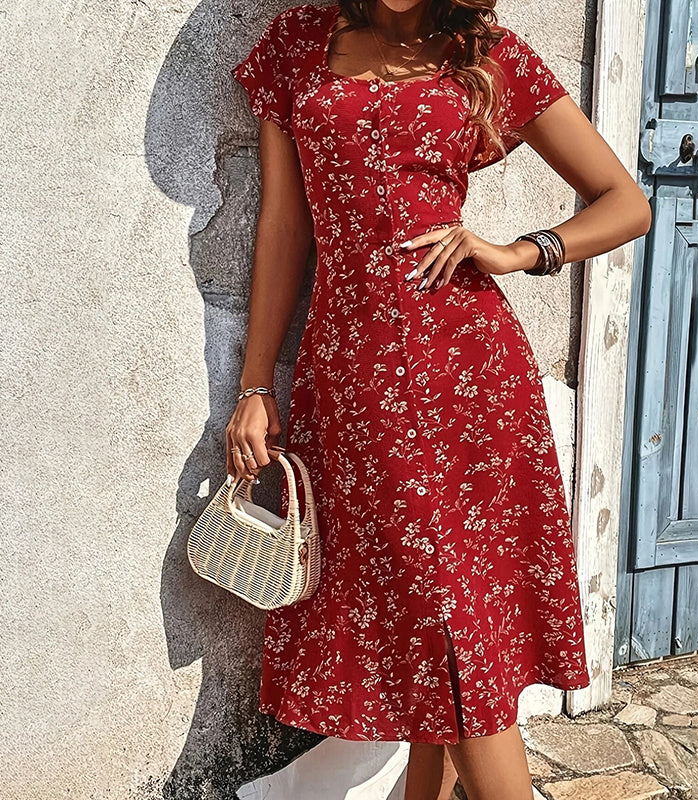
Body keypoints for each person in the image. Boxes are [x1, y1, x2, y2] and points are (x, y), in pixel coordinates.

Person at [226, 1, 652, 798]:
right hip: (354, 387)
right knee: (431, 630)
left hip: (469, 377)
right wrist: (256, 383)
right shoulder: (297, 43)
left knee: (455, 628)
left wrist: (523, 251)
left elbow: (626, 202)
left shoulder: (487, 54)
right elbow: (284, 223)